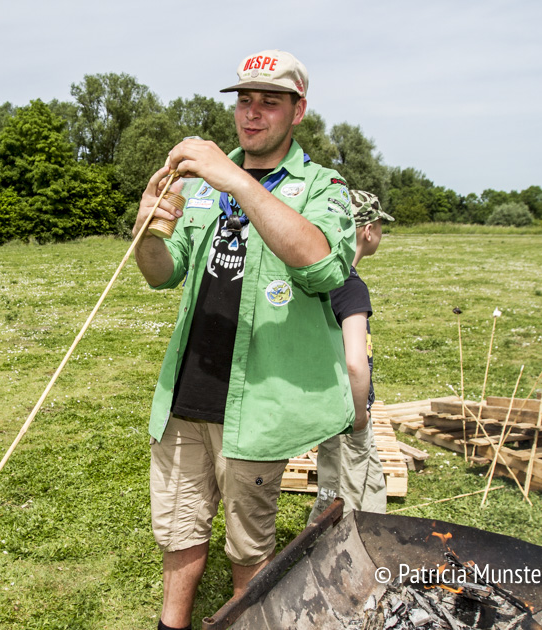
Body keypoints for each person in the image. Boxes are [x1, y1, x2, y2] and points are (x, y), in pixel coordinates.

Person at [132, 50, 356, 630]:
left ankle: (245, 621)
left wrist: (232, 176)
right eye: (244, 100)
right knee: (179, 531)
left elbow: (323, 264)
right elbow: (163, 271)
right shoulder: (202, 186)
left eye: (270, 102)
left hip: (256, 405)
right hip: (185, 392)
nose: (252, 114)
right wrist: (147, 230)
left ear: (298, 110)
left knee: (248, 547)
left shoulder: (322, 187)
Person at [308, 190, 395, 523]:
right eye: (379, 226)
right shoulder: (352, 286)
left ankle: (318, 549)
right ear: (368, 230)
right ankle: (350, 557)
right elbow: (355, 362)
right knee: (358, 491)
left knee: (331, 484)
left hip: (327, 406)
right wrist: (360, 417)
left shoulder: (318, 278)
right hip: (348, 413)